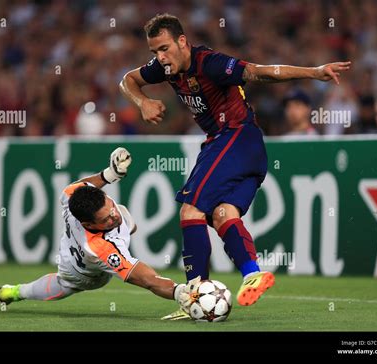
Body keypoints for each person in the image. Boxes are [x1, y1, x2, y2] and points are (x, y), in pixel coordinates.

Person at [119, 13, 351, 319]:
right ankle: (252, 273)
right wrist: (142, 102)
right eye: (154, 52)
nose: (160, 58)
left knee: (190, 210)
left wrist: (313, 72)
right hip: (245, 148)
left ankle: (193, 295)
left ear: (182, 41)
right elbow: (128, 80)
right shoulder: (165, 69)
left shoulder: (210, 63)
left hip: (235, 137)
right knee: (222, 214)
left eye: (164, 48)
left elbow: (259, 72)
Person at [0, 148, 194, 314]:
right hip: (84, 274)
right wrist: (179, 292)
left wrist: (109, 174)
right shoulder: (99, 247)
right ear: (90, 225)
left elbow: (77, 186)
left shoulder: (71, 196)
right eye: (106, 219)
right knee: (63, 284)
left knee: (122, 217)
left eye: (110, 207)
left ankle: (13, 292)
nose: (114, 216)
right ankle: (16, 292)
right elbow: (146, 279)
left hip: (75, 243)